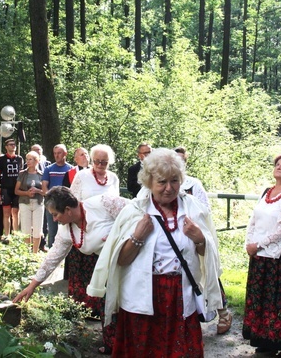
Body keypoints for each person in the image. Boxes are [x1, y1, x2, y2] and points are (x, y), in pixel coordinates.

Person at [88, 148, 222, 358]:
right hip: (143, 296)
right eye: (162, 182)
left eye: (175, 181)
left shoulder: (194, 210)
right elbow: (120, 260)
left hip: (180, 295)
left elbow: (207, 255)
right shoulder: (134, 212)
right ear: (149, 182)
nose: (169, 188)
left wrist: (200, 239)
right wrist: (137, 237)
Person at [13, 186, 129, 354]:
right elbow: (52, 258)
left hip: (132, 261)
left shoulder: (103, 203)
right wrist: (32, 286)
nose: (53, 219)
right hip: (108, 269)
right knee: (109, 304)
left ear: (67, 210)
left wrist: (121, 235)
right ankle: (115, 345)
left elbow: (137, 213)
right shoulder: (66, 231)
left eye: (55, 214)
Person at [243, 154, 281, 356]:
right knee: (261, 300)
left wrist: (258, 245)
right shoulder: (266, 193)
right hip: (259, 256)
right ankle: (265, 339)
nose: (279, 167)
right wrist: (249, 243)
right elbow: (253, 220)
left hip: (278, 260)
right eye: (277, 164)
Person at [174, 145, 232, 335]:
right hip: (174, 239)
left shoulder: (193, 184)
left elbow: (204, 209)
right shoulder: (164, 182)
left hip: (194, 236)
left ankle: (223, 312)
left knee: (208, 271)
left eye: (182, 159)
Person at [41, 144, 72, 249]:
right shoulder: (49, 169)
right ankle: (51, 251)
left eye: (59, 153)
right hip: (52, 204)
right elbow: (44, 185)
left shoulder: (71, 169)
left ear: (65, 154)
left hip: (66, 204)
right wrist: (49, 197)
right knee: (52, 230)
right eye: (55, 153)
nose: (57, 156)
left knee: (68, 230)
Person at [15, 151, 45, 253]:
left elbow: (45, 192)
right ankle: (26, 254)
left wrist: (37, 191)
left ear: (36, 161)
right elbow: (16, 191)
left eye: (30, 159)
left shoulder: (42, 174)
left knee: (37, 229)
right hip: (24, 202)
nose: (27, 161)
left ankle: (35, 253)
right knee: (25, 229)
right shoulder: (22, 174)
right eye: (27, 159)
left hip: (38, 203)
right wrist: (27, 193)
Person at [0, 139, 23, 239]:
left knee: (15, 212)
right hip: (5, 189)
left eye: (14, 144)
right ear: (6, 147)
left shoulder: (20, 158)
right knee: (6, 212)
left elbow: (22, 173)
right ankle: (6, 234)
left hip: (16, 189)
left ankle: (16, 234)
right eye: (10, 145)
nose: (13, 146)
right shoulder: (1, 159)